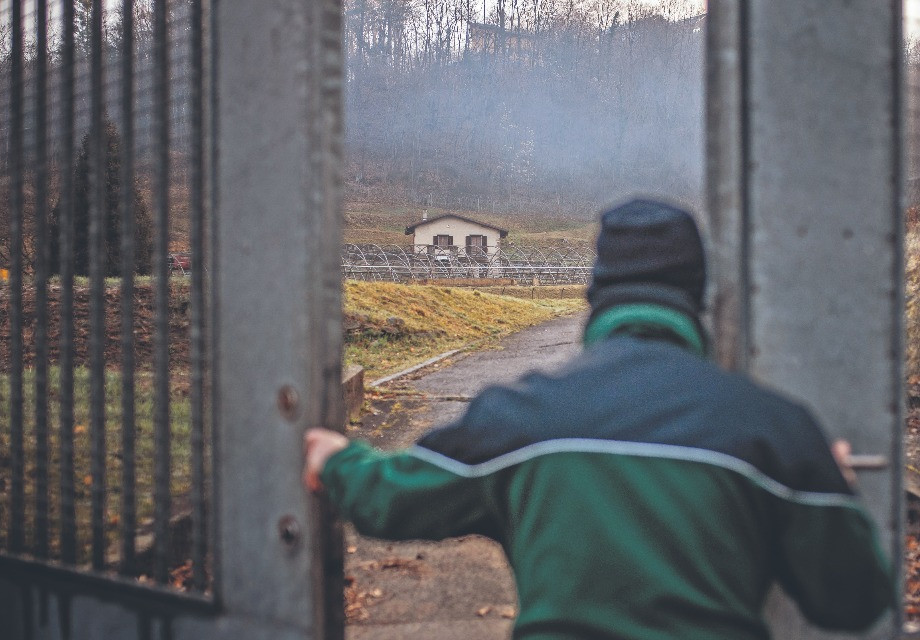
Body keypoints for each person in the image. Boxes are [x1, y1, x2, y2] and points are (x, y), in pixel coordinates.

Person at [303, 199, 895, 639]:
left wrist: (336, 460)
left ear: (596, 295)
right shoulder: (776, 429)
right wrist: (834, 486)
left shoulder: (520, 417)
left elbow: (392, 498)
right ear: (700, 298)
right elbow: (854, 603)